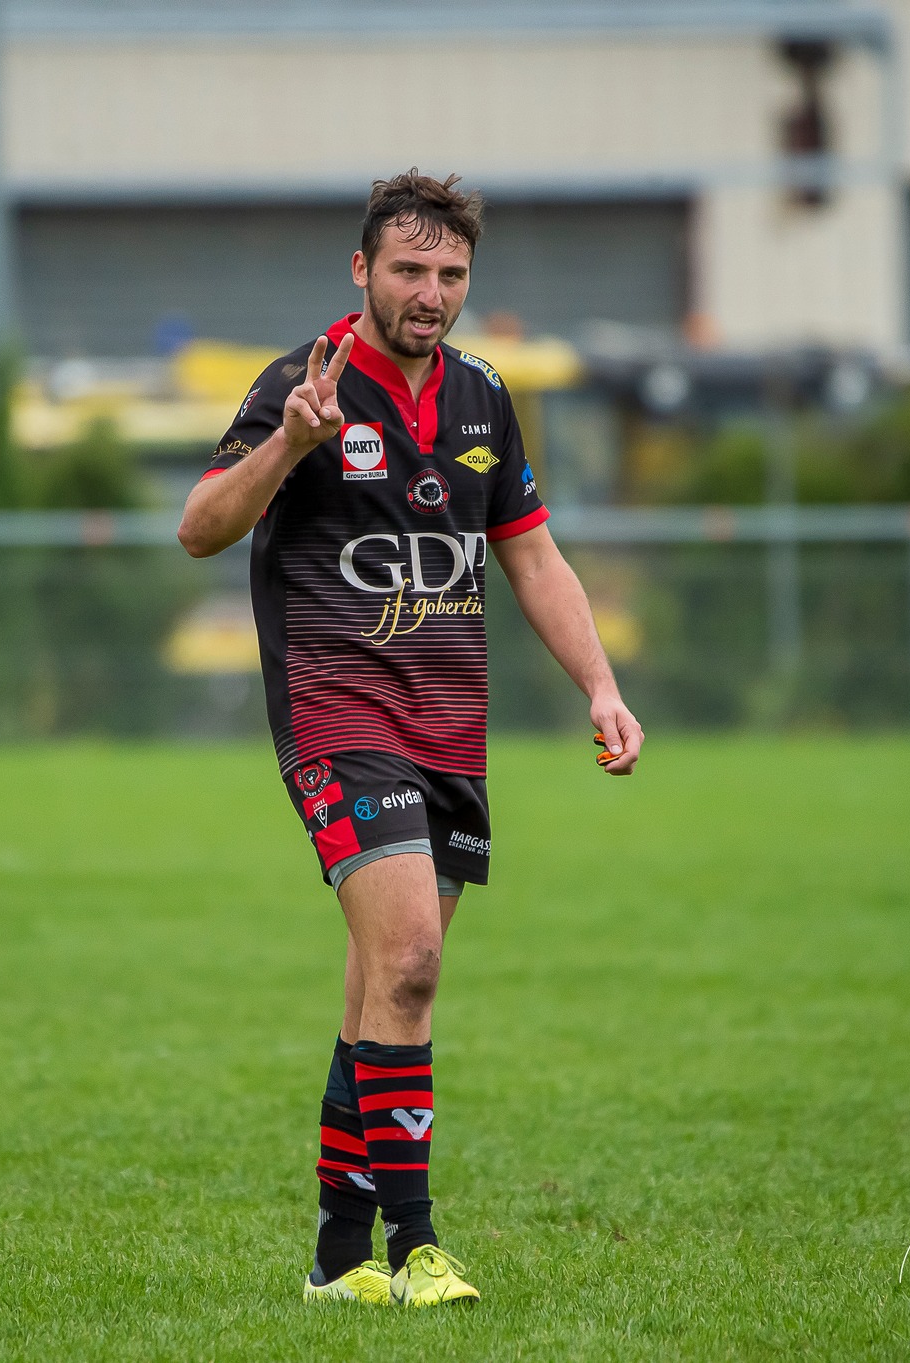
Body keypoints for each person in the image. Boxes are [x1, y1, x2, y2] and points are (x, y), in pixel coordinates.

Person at [177, 170, 645, 1308]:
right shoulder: (305, 382)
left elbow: (528, 554)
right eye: (408, 270)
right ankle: (417, 1245)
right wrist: (289, 444)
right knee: (412, 965)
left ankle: (338, 1262)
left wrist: (598, 684)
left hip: (448, 731)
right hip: (339, 721)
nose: (430, 293)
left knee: (376, 990)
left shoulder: (484, 397)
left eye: (449, 274)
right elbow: (198, 528)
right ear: (361, 271)